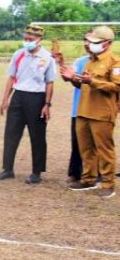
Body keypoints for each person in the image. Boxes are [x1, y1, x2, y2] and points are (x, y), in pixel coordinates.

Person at [0, 25, 56, 184]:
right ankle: (7, 169)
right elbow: (11, 77)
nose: (27, 42)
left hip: (37, 98)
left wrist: (47, 104)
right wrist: (5, 99)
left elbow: (49, 83)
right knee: (11, 134)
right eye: (26, 38)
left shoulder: (47, 57)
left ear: (39, 39)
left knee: (37, 136)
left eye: (31, 39)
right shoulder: (19, 54)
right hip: (18, 96)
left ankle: (36, 172)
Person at [62, 26, 119, 198]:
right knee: (85, 149)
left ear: (107, 43)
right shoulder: (89, 61)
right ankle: (88, 179)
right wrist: (73, 79)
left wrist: (92, 81)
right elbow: (83, 84)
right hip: (83, 110)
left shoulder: (115, 62)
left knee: (104, 149)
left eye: (96, 42)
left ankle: (108, 184)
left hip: (101, 113)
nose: (91, 45)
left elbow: (116, 86)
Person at [59, 30, 92, 183]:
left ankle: (96, 174)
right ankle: (75, 173)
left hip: (98, 111)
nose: (86, 43)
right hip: (78, 109)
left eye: (90, 40)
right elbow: (73, 81)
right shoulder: (80, 61)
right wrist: (68, 75)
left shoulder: (111, 61)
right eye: (85, 40)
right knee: (77, 141)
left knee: (97, 143)